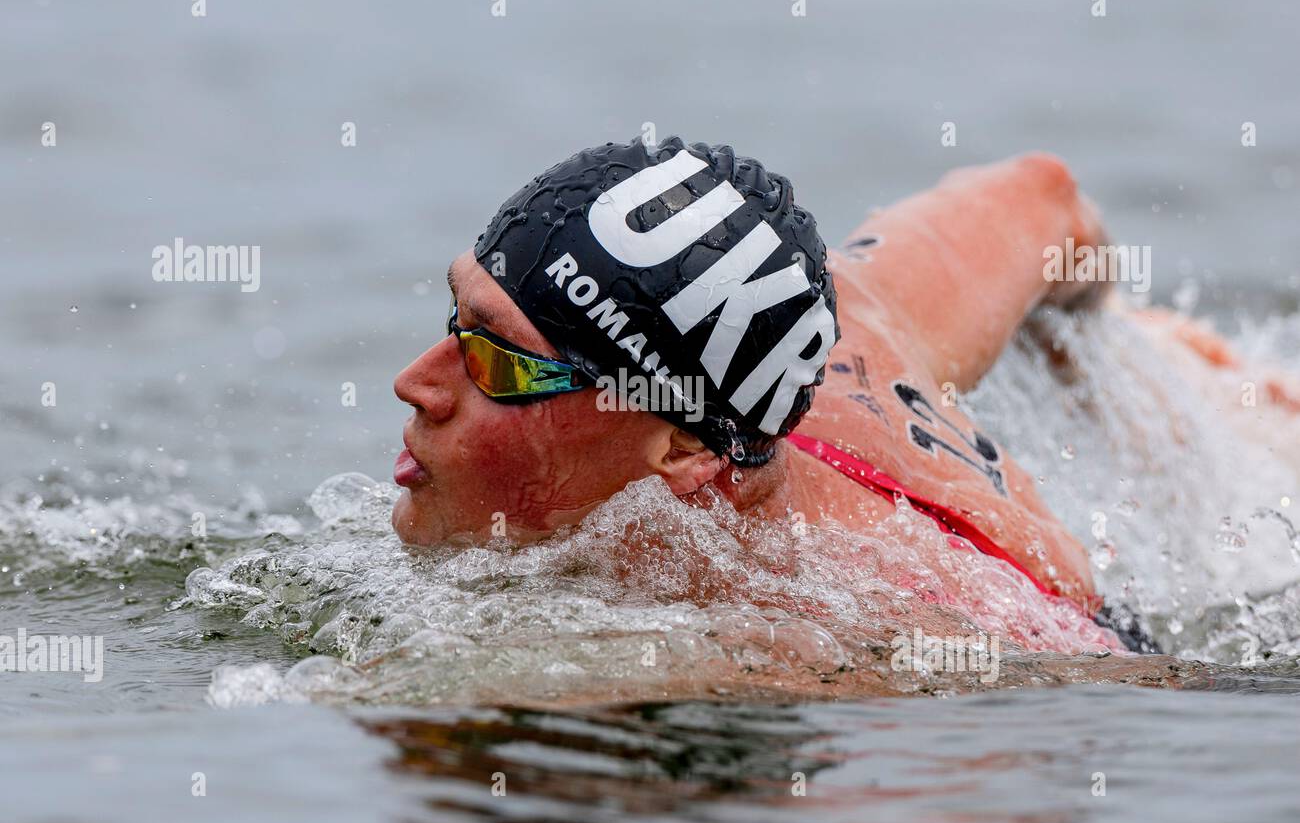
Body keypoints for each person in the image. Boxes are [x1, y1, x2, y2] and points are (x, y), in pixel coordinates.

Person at [388, 135, 1281, 649]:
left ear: (688, 450)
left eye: (498, 361)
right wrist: (1111, 360)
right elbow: (1041, 197)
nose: (415, 382)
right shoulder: (840, 323)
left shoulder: (813, 630)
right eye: (458, 317)